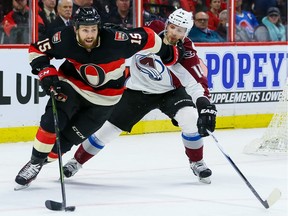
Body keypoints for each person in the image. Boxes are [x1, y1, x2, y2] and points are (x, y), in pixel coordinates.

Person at [14, 6, 183, 190]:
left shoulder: (117, 40)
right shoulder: (63, 38)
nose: (90, 34)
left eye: (94, 29)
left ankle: (43, 160)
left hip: (105, 100)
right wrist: (46, 72)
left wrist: (169, 53)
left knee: (66, 141)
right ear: (75, 28)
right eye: (85, 29)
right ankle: (34, 164)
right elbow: (37, 49)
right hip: (72, 85)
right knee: (52, 120)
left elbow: (149, 37)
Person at [63, 8, 217, 184]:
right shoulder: (151, 30)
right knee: (107, 131)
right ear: (167, 25)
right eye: (172, 27)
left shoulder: (187, 52)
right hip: (137, 91)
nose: (174, 33)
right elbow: (126, 38)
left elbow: (196, 83)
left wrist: (205, 106)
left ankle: (197, 161)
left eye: (180, 30)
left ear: (186, 33)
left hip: (171, 92)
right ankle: (76, 161)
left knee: (190, 117)